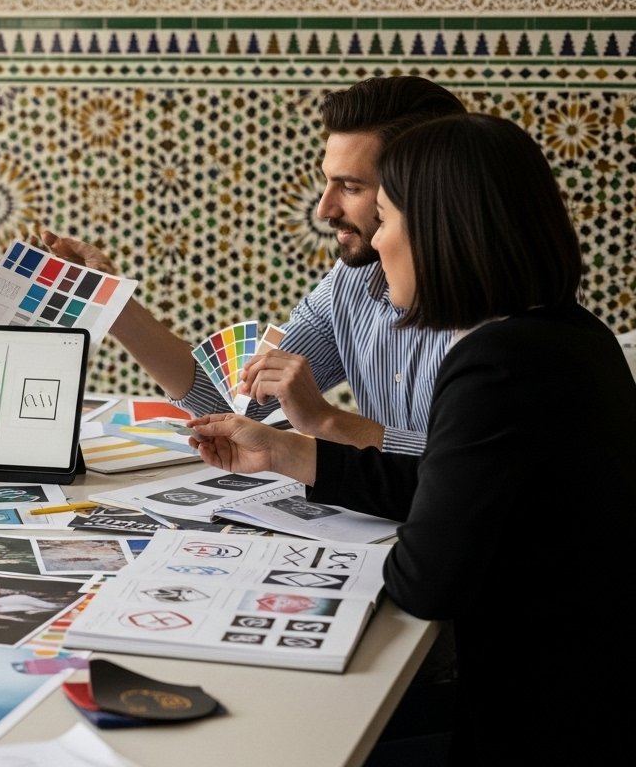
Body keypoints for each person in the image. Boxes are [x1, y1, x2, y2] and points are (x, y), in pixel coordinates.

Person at [186, 113, 636, 763]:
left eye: (389, 218)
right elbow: (453, 488)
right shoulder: (567, 335)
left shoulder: (496, 365)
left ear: (440, 233)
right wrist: (291, 452)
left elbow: (428, 579)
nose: (377, 238)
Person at [41, 75, 466, 455]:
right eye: (328, 180)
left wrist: (326, 421)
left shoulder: (497, 318)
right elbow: (232, 403)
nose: (323, 209)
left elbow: (482, 470)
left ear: (421, 187)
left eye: (351, 186)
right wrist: (110, 300)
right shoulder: (350, 283)